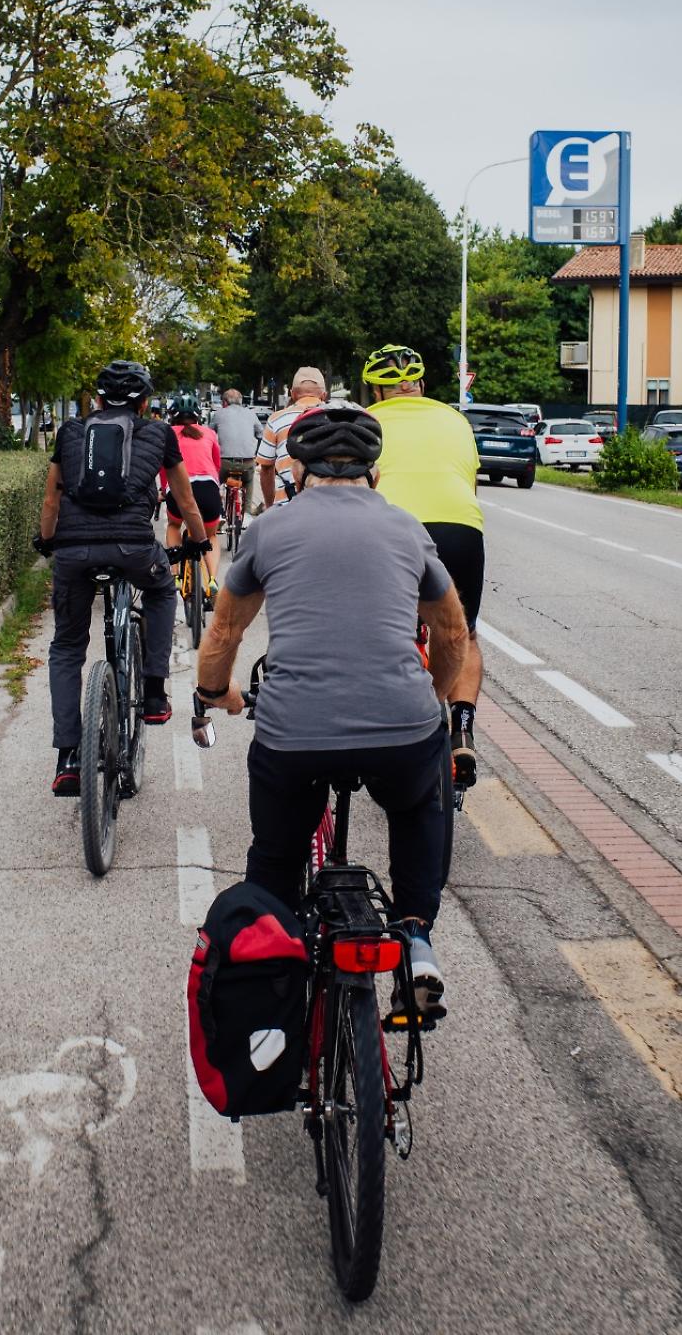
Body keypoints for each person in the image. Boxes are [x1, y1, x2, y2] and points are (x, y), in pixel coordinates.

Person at [196, 403, 468, 1016]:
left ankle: (272, 971)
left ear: (297, 467)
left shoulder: (269, 530)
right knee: (421, 802)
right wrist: (431, 704)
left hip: (294, 730)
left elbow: (222, 636)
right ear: (375, 470)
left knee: (274, 857)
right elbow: (452, 635)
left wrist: (219, 695)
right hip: (401, 725)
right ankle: (417, 935)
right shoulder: (405, 528)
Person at [35, 361, 210, 796]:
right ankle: (153, 692)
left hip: (74, 554)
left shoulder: (71, 433)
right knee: (161, 589)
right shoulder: (158, 434)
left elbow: (51, 497)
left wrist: (47, 542)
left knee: (67, 645)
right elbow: (185, 500)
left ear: (96, 401)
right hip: (134, 549)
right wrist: (201, 542)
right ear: (145, 402)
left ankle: (69, 757)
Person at [362, 343, 485, 788]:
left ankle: (385, 731)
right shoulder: (456, 419)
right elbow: (471, 485)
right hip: (460, 527)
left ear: (375, 391)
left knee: (379, 629)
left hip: (392, 528)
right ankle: (463, 727)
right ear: (422, 386)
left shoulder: (366, 422)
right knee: (462, 633)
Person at [161, 393, 224, 583]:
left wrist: (164, 491)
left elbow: (164, 468)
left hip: (179, 489)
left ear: (172, 415)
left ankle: (175, 574)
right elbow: (217, 465)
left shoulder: (168, 434)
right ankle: (212, 579)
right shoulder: (209, 433)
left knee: (174, 525)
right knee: (210, 535)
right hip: (207, 488)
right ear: (198, 416)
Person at [256, 366, 328, 509]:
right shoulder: (338, 417)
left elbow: (266, 469)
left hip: (286, 505)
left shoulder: (276, 419)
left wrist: (270, 507)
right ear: (324, 395)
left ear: (293, 394)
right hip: (327, 505)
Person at [209, 388, 264, 513]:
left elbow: (209, 435)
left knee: (214, 483)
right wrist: (256, 455)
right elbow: (261, 435)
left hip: (224, 462)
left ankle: (216, 511)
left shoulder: (219, 414)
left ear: (224, 402)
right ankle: (247, 512)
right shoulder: (251, 414)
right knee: (248, 482)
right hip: (247, 461)